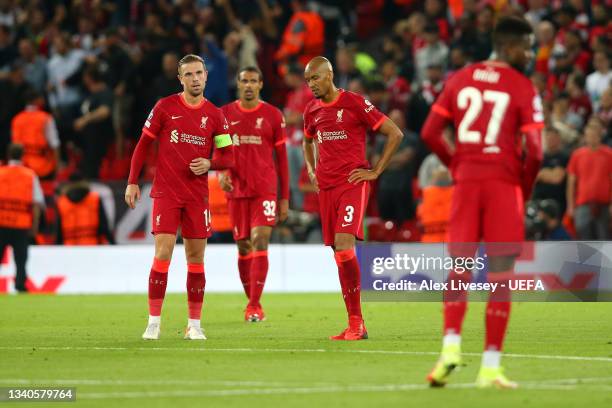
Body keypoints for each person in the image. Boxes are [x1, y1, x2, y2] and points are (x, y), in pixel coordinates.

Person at [421, 16, 544, 388]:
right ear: (508, 47)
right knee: (501, 276)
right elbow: (536, 152)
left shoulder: (461, 78)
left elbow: (429, 132)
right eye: (526, 46)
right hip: (503, 183)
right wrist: (521, 186)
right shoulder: (522, 86)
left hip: (467, 181)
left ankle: (450, 348)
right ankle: (490, 366)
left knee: (459, 267)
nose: (531, 52)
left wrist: (457, 163)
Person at [125, 54, 234, 341]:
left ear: (206, 76)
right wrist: (132, 182)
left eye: (199, 73)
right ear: (180, 78)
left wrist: (211, 163)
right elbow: (143, 144)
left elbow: (228, 155)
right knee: (163, 254)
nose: (195, 78)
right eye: (189, 74)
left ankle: (194, 325)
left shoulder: (216, 115)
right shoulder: (165, 107)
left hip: (197, 196)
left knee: (196, 259)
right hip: (166, 192)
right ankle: (153, 322)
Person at [302, 56, 403, 340]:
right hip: (327, 188)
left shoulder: (355, 103)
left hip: (352, 183)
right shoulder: (312, 110)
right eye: (308, 80)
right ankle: (353, 322)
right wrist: (311, 169)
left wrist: (376, 172)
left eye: (316, 78)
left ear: (330, 75)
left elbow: (394, 133)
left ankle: (357, 323)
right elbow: (307, 140)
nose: (311, 85)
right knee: (339, 254)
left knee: (345, 248)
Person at [219, 66, 289, 322]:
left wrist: (284, 198)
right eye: (244, 81)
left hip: (265, 190)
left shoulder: (272, 115)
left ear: (260, 85)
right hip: (237, 191)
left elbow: (282, 161)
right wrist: (222, 173)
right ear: (238, 84)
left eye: (253, 81)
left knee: (260, 239)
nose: (248, 85)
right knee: (243, 245)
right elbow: (219, 151)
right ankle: (252, 302)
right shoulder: (224, 114)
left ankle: (254, 305)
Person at [0, 144, 45, 293]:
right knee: (21, 258)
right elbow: (36, 203)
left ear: (8, 155)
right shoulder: (30, 175)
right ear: (23, 155)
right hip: (21, 224)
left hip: (2, 222)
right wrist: (35, 225)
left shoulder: (1, 173)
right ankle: (20, 284)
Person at [566, 118, 612, 240]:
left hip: (604, 204)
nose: (592, 137)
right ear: (585, 136)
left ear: (600, 135)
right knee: (583, 240)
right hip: (582, 204)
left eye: (595, 134)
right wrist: (570, 206)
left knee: (604, 238)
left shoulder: (609, 154)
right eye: (589, 134)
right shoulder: (577, 155)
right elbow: (571, 182)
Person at [11, 89, 60, 180]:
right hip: (44, 167)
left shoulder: (17, 119)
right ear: (36, 100)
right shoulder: (46, 118)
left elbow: (14, 147)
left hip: (23, 167)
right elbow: (55, 144)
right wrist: (57, 167)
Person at [56, 172, 115, 245]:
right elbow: (104, 225)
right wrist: (113, 243)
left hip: (70, 249)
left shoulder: (62, 202)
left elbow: (58, 232)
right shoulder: (94, 199)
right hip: (92, 247)